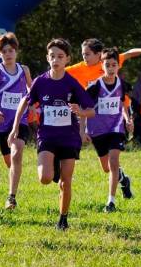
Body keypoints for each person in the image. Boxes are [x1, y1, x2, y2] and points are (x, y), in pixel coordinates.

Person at [10, 38, 95, 230]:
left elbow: (91, 110)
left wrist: (80, 112)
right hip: (47, 136)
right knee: (45, 178)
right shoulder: (41, 81)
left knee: (66, 182)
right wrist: (15, 128)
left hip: (69, 138)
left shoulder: (72, 83)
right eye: (52, 56)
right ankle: (53, 166)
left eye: (60, 56)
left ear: (67, 59)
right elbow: (24, 102)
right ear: (47, 58)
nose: (55, 60)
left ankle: (63, 219)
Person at [0, 32, 33, 211]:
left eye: (11, 50)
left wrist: (34, 105)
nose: (8, 54)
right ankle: (13, 182)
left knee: (17, 154)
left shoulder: (24, 70)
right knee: (10, 162)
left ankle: (11, 198)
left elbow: (31, 91)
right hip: (2, 122)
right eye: (4, 51)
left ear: (16, 52)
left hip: (20, 120)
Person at [83, 47, 134, 213]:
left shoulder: (122, 84)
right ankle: (124, 179)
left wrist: (128, 119)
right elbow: (84, 108)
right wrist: (82, 130)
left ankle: (110, 202)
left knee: (113, 162)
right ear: (102, 66)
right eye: (107, 65)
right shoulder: (95, 86)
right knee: (107, 168)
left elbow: (122, 104)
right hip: (97, 130)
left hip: (116, 128)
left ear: (118, 66)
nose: (111, 68)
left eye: (114, 65)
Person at [66, 38, 141, 89]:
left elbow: (129, 53)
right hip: (91, 108)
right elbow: (55, 72)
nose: (84, 57)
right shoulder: (77, 68)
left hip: (111, 106)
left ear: (98, 54)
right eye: (83, 54)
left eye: (87, 54)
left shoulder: (109, 61)